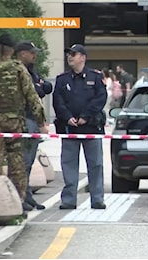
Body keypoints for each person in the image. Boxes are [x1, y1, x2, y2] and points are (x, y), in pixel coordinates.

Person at [52, 44, 107, 210]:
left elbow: (100, 98)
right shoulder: (62, 79)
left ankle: (97, 199)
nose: (70, 57)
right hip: (69, 128)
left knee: (95, 164)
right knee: (68, 164)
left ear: (83, 57)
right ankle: (69, 200)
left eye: (73, 54)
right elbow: (58, 101)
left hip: (91, 127)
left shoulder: (96, 77)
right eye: (69, 54)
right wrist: (67, 117)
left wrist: (85, 116)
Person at [0, 33, 49, 207]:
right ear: (12, 50)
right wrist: (42, 123)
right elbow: (32, 97)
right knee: (17, 165)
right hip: (15, 124)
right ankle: (17, 204)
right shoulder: (18, 69)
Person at [15, 40, 53, 211]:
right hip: (25, 120)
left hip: (33, 119)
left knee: (29, 161)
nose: (34, 55)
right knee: (23, 161)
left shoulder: (32, 71)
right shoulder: (18, 71)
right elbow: (35, 92)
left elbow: (46, 87)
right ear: (23, 53)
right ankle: (20, 197)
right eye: (31, 52)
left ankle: (26, 195)